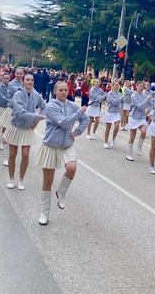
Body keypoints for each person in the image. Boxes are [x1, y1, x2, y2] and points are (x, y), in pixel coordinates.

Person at [36, 81, 88, 225]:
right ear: (55, 92)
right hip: (51, 145)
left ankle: (61, 192)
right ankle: (44, 213)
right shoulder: (50, 106)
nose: (64, 92)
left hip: (67, 144)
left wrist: (76, 132)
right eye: (61, 90)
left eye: (65, 90)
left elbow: (85, 119)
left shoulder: (72, 105)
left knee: (72, 168)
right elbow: (62, 122)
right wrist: (78, 113)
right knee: (47, 182)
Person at [4, 74, 46, 190]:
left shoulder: (36, 95)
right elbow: (20, 112)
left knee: (26, 154)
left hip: (28, 128)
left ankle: (21, 179)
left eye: (32, 80)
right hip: (16, 126)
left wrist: (37, 121)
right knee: (12, 154)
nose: (30, 82)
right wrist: (36, 116)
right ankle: (11, 178)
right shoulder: (18, 94)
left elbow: (44, 106)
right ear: (23, 82)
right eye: (27, 80)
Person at [126, 81, 153, 162]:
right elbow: (140, 106)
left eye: (142, 86)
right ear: (136, 87)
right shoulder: (133, 96)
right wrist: (147, 99)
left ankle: (139, 146)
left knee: (144, 131)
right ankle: (129, 154)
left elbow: (151, 104)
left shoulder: (144, 95)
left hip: (141, 118)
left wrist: (147, 112)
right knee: (132, 137)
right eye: (140, 86)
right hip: (134, 117)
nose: (141, 87)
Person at [102, 81, 123, 149]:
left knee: (117, 126)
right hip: (110, 112)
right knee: (108, 128)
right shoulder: (109, 94)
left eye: (118, 85)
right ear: (112, 86)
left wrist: (121, 108)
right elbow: (114, 102)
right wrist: (120, 100)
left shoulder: (120, 94)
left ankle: (113, 140)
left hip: (117, 112)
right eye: (115, 85)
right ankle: (105, 142)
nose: (117, 87)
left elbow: (122, 103)